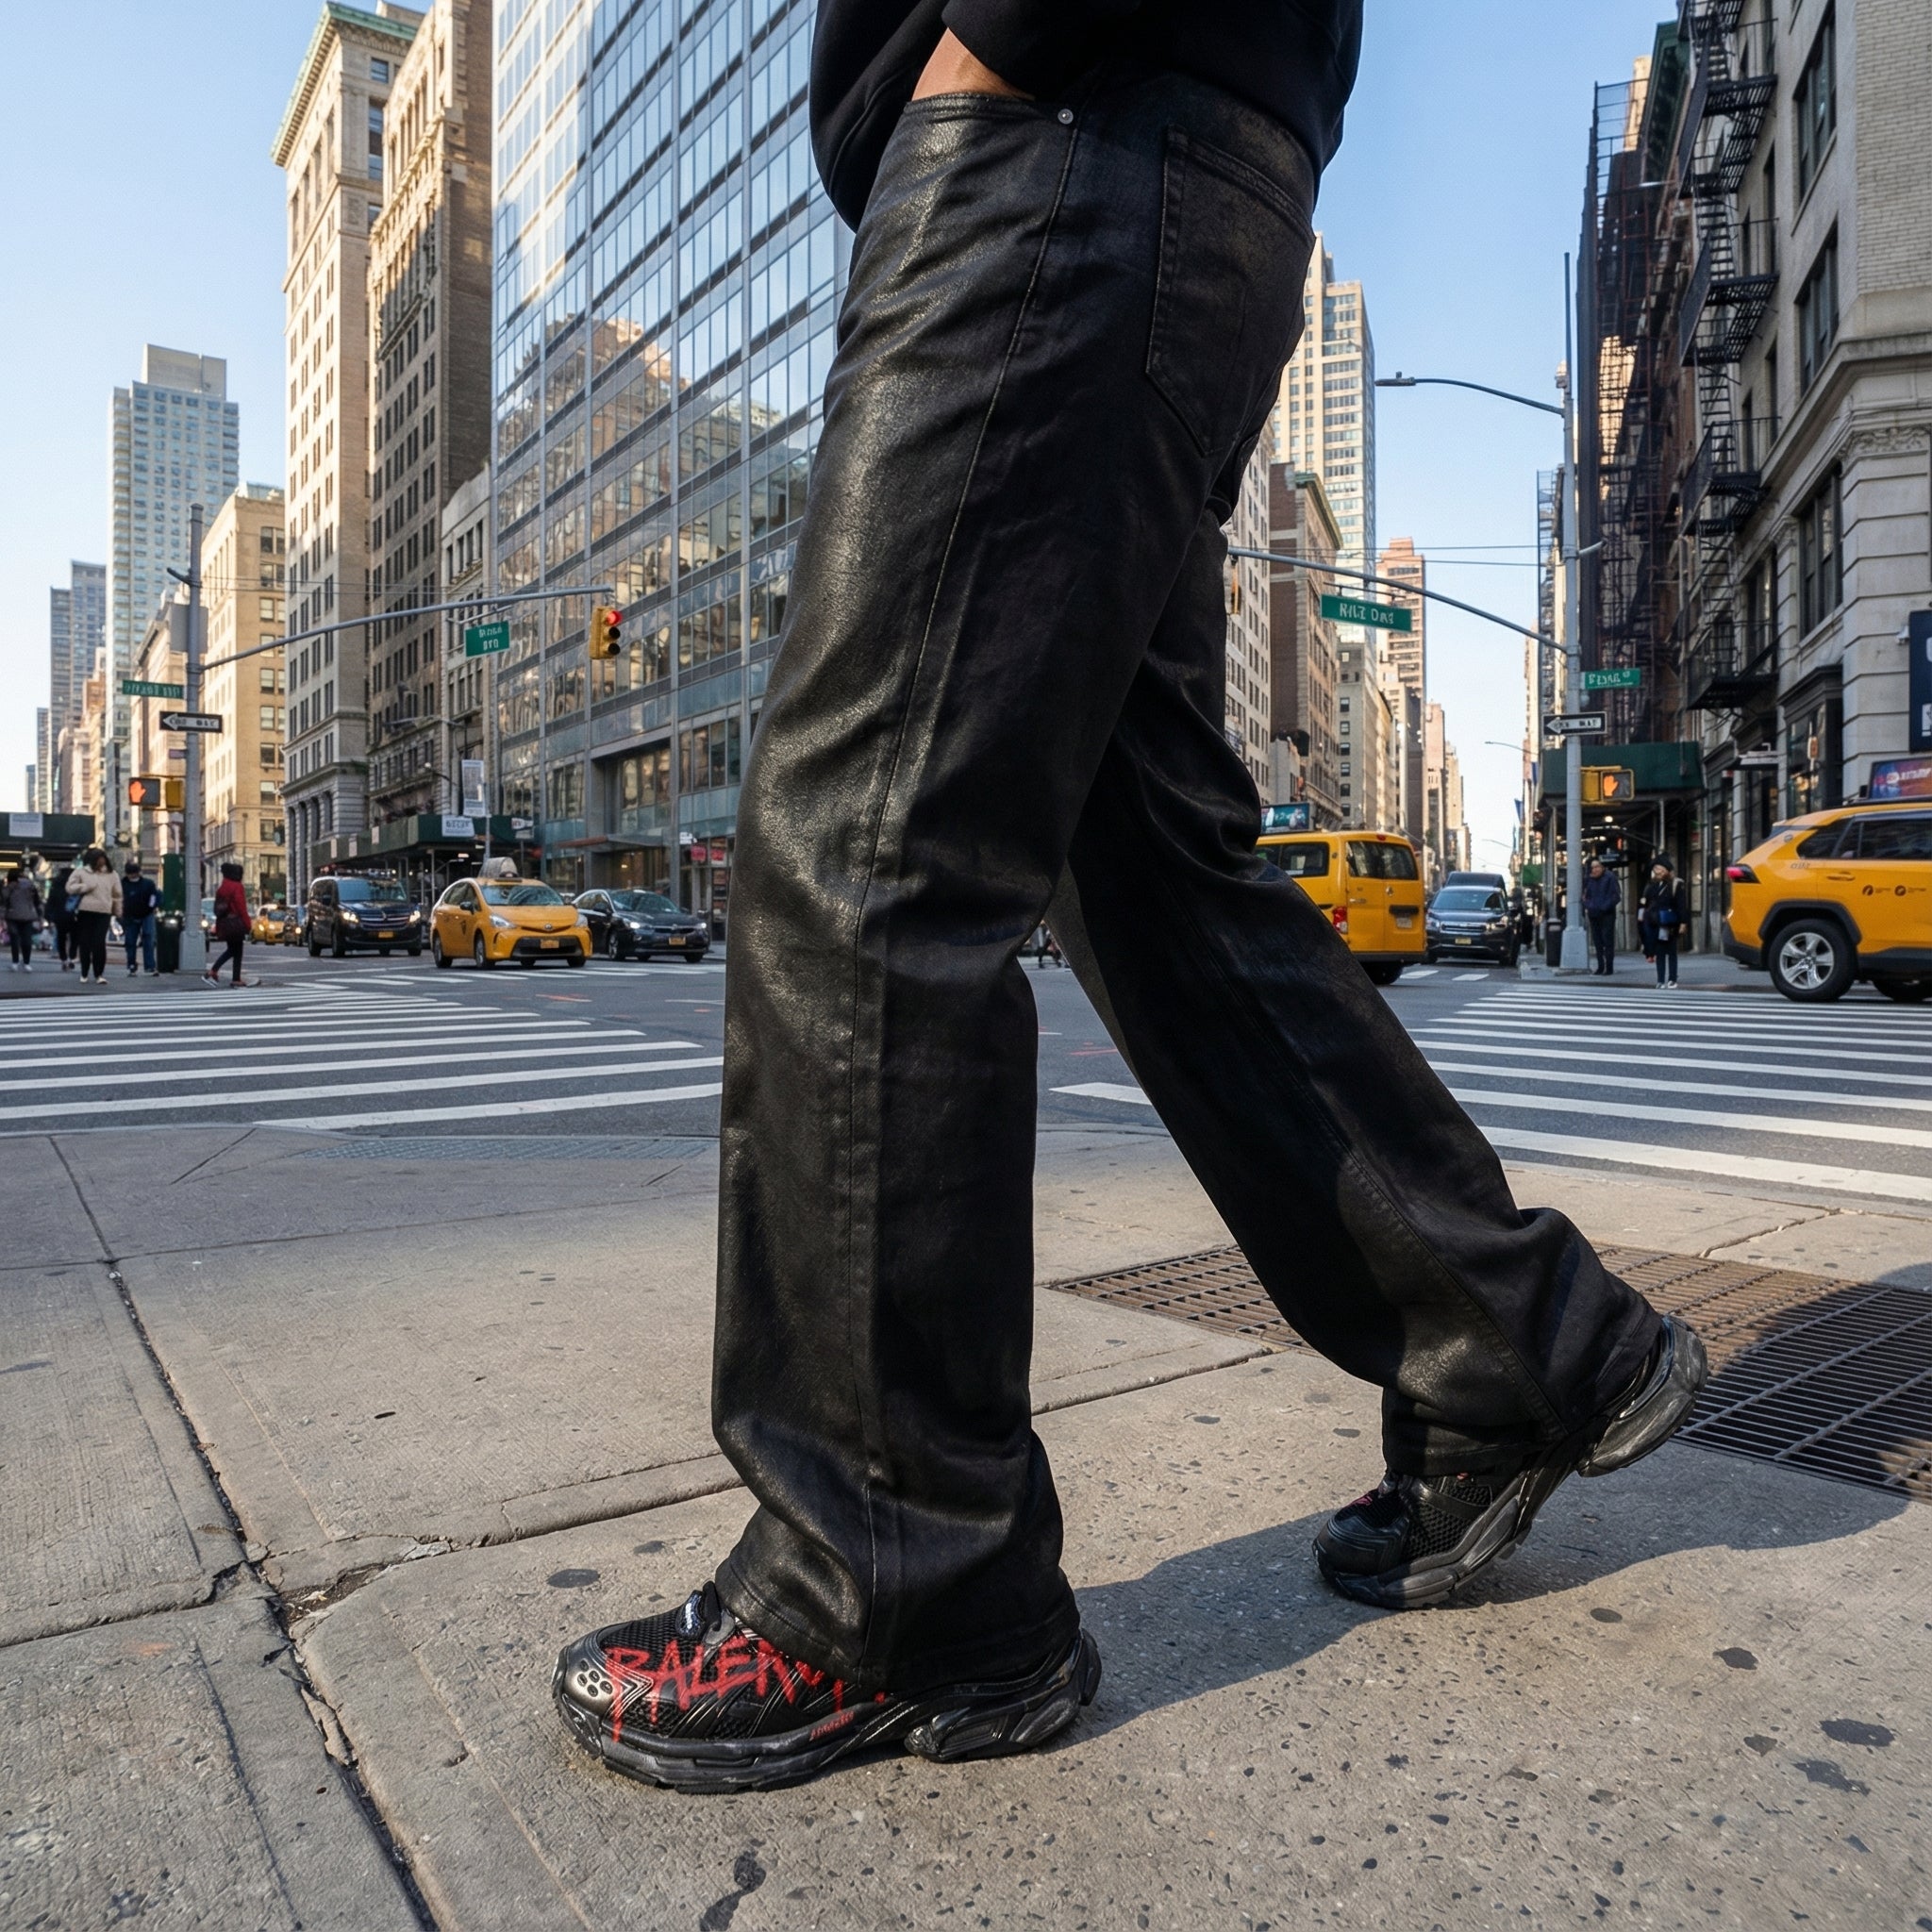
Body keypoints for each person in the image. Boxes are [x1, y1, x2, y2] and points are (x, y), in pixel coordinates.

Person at [553, 6, 1707, 1795]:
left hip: (1058, 136)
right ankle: (1509, 1342)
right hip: (1140, 158)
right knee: (1138, 851)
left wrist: (991, 48)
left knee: (861, 841)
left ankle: (892, 1581)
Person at [66, 849, 121, 987]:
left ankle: (99, 974)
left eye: (103, 859)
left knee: (99, 942)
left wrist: (117, 910)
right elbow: (69, 887)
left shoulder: (112, 874)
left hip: (104, 911)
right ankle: (84, 972)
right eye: (98, 859)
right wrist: (85, 887)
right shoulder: (81, 872)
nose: (101, 862)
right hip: (85, 910)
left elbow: (117, 894)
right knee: (85, 942)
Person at [1639, 858, 1689, 990]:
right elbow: (1646, 902)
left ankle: (1672, 979)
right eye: (1655, 869)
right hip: (1655, 922)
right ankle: (1660, 979)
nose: (1658, 872)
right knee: (1659, 951)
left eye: (1660, 869)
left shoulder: (1676, 884)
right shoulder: (1652, 884)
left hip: (1670, 922)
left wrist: (1683, 922)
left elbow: (1681, 904)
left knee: (1671, 951)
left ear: (1667, 870)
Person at [206, 863, 250, 988]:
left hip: (225, 924)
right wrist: (247, 924)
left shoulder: (222, 888)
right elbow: (241, 907)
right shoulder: (237, 887)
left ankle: (230, 976)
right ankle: (217, 972)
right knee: (236, 951)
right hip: (236, 924)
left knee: (233, 950)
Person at [122, 861, 161, 976]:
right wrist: (151, 907)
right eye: (131, 873)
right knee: (143, 940)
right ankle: (146, 965)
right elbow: (154, 897)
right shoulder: (147, 884)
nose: (132, 876)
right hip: (142, 914)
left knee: (135, 940)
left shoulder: (124, 884)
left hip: (136, 914)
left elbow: (153, 897)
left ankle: (135, 965)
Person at [1581, 859, 1620, 976]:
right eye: (1592, 867)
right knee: (1597, 941)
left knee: (1607, 941)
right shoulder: (1588, 879)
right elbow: (1584, 896)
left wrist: (1605, 907)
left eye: (1597, 866)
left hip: (1607, 913)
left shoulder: (1610, 877)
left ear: (1602, 867)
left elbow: (1616, 896)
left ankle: (1609, 967)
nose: (1595, 869)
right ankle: (1600, 966)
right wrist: (1589, 906)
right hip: (1594, 914)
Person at [4, 866, 42, 972]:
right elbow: (37, 901)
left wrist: (2, 917)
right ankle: (26, 963)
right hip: (28, 916)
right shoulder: (30, 885)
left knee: (15, 939)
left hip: (12, 915)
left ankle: (15, 962)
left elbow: (4, 901)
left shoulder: (10, 886)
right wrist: (39, 915)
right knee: (26, 940)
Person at [44, 859, 78, 972]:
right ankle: (72, 957)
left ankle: (63, 958)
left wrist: (48, 917)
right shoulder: (75, 886)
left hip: (60, 916)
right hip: (74, 916)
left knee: (61, 938)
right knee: (74, 938)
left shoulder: (56, 885)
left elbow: (50, 902)